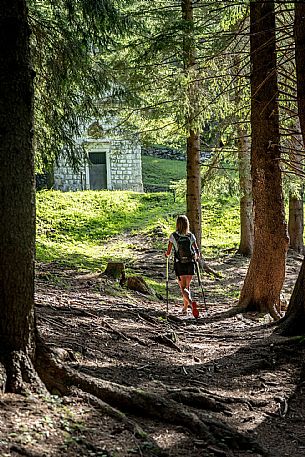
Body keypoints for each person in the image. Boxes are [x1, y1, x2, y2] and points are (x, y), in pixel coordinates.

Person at [165, 215, 200, 315]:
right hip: (190, 263)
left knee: (183, 288)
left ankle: (190, 304)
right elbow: (197, 250)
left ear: (177, 224)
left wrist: (166, 255)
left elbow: (168, 252)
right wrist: (196, 257)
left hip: (179, 264)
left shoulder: (173, 236)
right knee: (187, 287)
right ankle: (185, 308)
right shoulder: (190, 236)